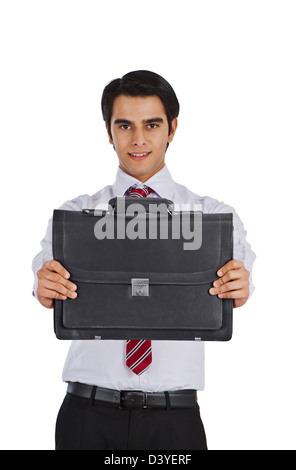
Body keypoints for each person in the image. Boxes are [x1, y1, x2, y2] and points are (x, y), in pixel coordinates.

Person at [32, 70, 255, 450]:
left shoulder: (212, 218)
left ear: (172, 129)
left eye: (152, 124)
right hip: (87, 414)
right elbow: (44, 286)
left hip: (175, 420)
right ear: (108, 131)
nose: (138, 140)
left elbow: (239, 290)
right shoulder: (75, 216)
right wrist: (44, 285)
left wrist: (240, 286)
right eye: (125, 126)